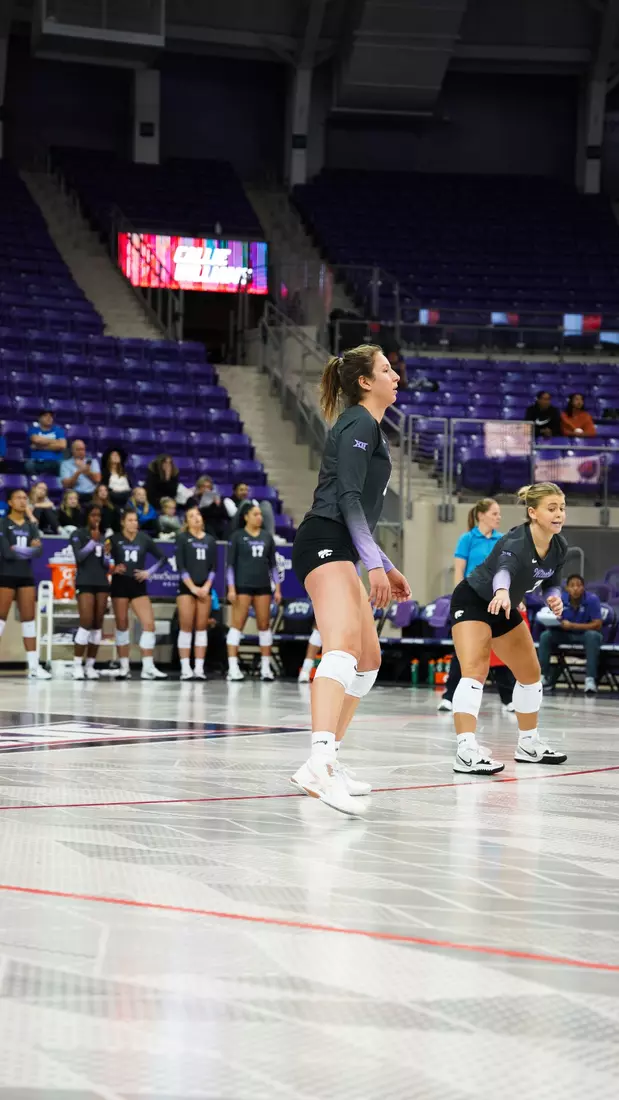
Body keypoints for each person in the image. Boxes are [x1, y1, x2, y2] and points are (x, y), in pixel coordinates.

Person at [290, 344, 411, 815]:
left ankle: (325, 761)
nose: (395, 375)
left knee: (369, 659)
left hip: (340, 542)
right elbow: (347, 502)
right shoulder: (360, 422)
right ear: (365, 382)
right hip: (324, 539)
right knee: (341, 647)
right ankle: (319, 763)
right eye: (386, 369)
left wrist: (383, 561)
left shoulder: (369, 428)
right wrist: (374, 564)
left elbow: (354, 508)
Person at [449, 482, 569, 775]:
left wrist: (554, 596)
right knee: (474, 671)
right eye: (551, 508)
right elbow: (503, 569)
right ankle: (465, 750)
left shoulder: (559, 546)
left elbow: (551, 579)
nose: (559, 514)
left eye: (562, 508)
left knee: (530, 674)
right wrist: (502, 591)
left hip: (505, 608)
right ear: (533, 513)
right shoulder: (517, 541)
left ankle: (528, 744)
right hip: (475, 600)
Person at [438, 498, 503, 712]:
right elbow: (459, 571)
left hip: (495, 600)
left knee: (503, 648)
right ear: (481, 515)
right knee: (463, 650)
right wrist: (459, 597)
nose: (498, 517)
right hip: (471, 599)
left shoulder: (501, 540)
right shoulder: (467, 539)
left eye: (499, 514)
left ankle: (508, 699)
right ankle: (449, 696)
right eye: (494, 513)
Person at [107, 510, 168, 680]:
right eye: (130, 520)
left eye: (136, 520)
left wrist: (149, 572)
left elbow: (163, 558)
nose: (134, 523)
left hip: (138, 585)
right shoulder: (114, 539)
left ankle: (147, 667)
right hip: (120, 584)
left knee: (149, 624)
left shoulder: (144, 539)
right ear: (123, 522)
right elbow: (103, 559)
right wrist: (113, 568)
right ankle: (124, 667)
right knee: (122, 626)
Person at [226, 502, 281, 682]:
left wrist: (277, 588)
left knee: (264, 625)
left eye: (260, 514)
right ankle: (233, 667)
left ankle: (265, 668)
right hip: (242, 585)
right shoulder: (237, 536)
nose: (260, 517)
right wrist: (231, 588)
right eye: (255, 514)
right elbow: (230, 566)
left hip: (263, 586)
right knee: (237, 625)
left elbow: (273, 565)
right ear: (246, 517)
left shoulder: (267, 537)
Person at [0, 488, 51, 679]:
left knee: (29, 620)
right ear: (10, 503)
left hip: (25, 575)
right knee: (0, 619)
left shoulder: (31, 526)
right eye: (18, 498)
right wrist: (29, 549)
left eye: (24, 498)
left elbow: (39, 552)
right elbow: (6, 553)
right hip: (5, 574)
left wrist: (22, 550)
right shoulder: (3, 524)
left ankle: (33, 666)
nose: (22, 501)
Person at [538, 573, 603, 696]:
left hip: (585, 635)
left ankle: (590, 680)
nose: (575, 588)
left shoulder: (592, 599)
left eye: (579, 585)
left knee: (593, 636)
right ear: (567, 588)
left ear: (583, 588)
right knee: (545, 636)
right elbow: (552, 617)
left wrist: (572, 625)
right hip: (565, 635)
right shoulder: (561, 600)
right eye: (572, 586)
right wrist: (554, 620)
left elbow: (597, 624)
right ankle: (543, 676)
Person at [176, 505, 217, 680]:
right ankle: (185, 668)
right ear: (187, 521)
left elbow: (213, 567)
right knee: (186, 627)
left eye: (198, 514)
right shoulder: (182, 538)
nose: (196, 518)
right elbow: (181, 565)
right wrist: (192, 588)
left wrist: (206, 586)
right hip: (187, 587)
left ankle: (199, 668)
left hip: (204, 588)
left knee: (201, 628)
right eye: (192, 516)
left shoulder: (210, 540)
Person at [70, 504, 110, 681]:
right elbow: (79, 557)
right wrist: (92, 542)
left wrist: (108, 555)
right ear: (87, 517)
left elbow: (106, 564)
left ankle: (90, 664)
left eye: (99, 516)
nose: (97, 519)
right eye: (93, 515)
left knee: (97, 622)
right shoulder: (78, 534)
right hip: (85, 581)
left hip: (101, 581)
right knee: (86, 621)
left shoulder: (103, 538)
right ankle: (77, 664)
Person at [26, 409, 66, 476]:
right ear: (39, 418)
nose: (49, 418)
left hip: (55, 461)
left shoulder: (58, 431)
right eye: (45, 416)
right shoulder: (33, 430)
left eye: (51, 416)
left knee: (63, 466)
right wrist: (56, 441)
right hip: (37, 461)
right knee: (29, 465)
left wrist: (39, 447)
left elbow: (62, 445)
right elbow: (37, 440)